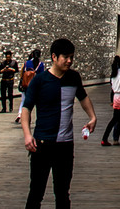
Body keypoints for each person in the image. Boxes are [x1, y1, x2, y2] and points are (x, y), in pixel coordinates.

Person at [20, 37, 98, 209]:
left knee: (62, 193)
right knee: (36, 192)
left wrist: (92, 117)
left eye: (72, 57)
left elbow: (83, 97)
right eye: (66, 57)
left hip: (65, 145)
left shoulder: (74, 78)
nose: (70, 61)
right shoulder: (40, 80)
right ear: (54, 57)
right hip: (42, 143)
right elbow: (26, 109)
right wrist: (27, 135)